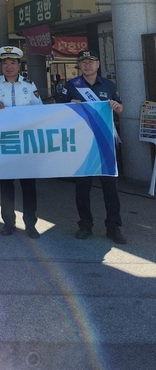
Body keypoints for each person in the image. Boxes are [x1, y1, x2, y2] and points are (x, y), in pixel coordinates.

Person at [56, 50, 126, 244]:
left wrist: (116, 106)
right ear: (79, 65)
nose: (87, 65)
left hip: (104, 142)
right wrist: (70, 104)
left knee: (110, 188)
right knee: (82, 187)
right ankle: (85, 225)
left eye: (91, 62)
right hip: (81, 143)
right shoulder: (71, 85)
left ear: (98, 64)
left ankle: (113, 226)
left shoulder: (109, 85)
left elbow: (120, 108)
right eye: (83, 62)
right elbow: (58, 109)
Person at [0, 46, 43, 238]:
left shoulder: (29, 85)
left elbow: (39, 109)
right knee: (6, 186)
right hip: (4, 142)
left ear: (19, 65)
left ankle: (30, 225)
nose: (9, 66)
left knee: (28, 186)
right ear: (1, 65)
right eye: (5, 63)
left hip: (25, 143)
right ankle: (8, 224)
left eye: (13, 63)